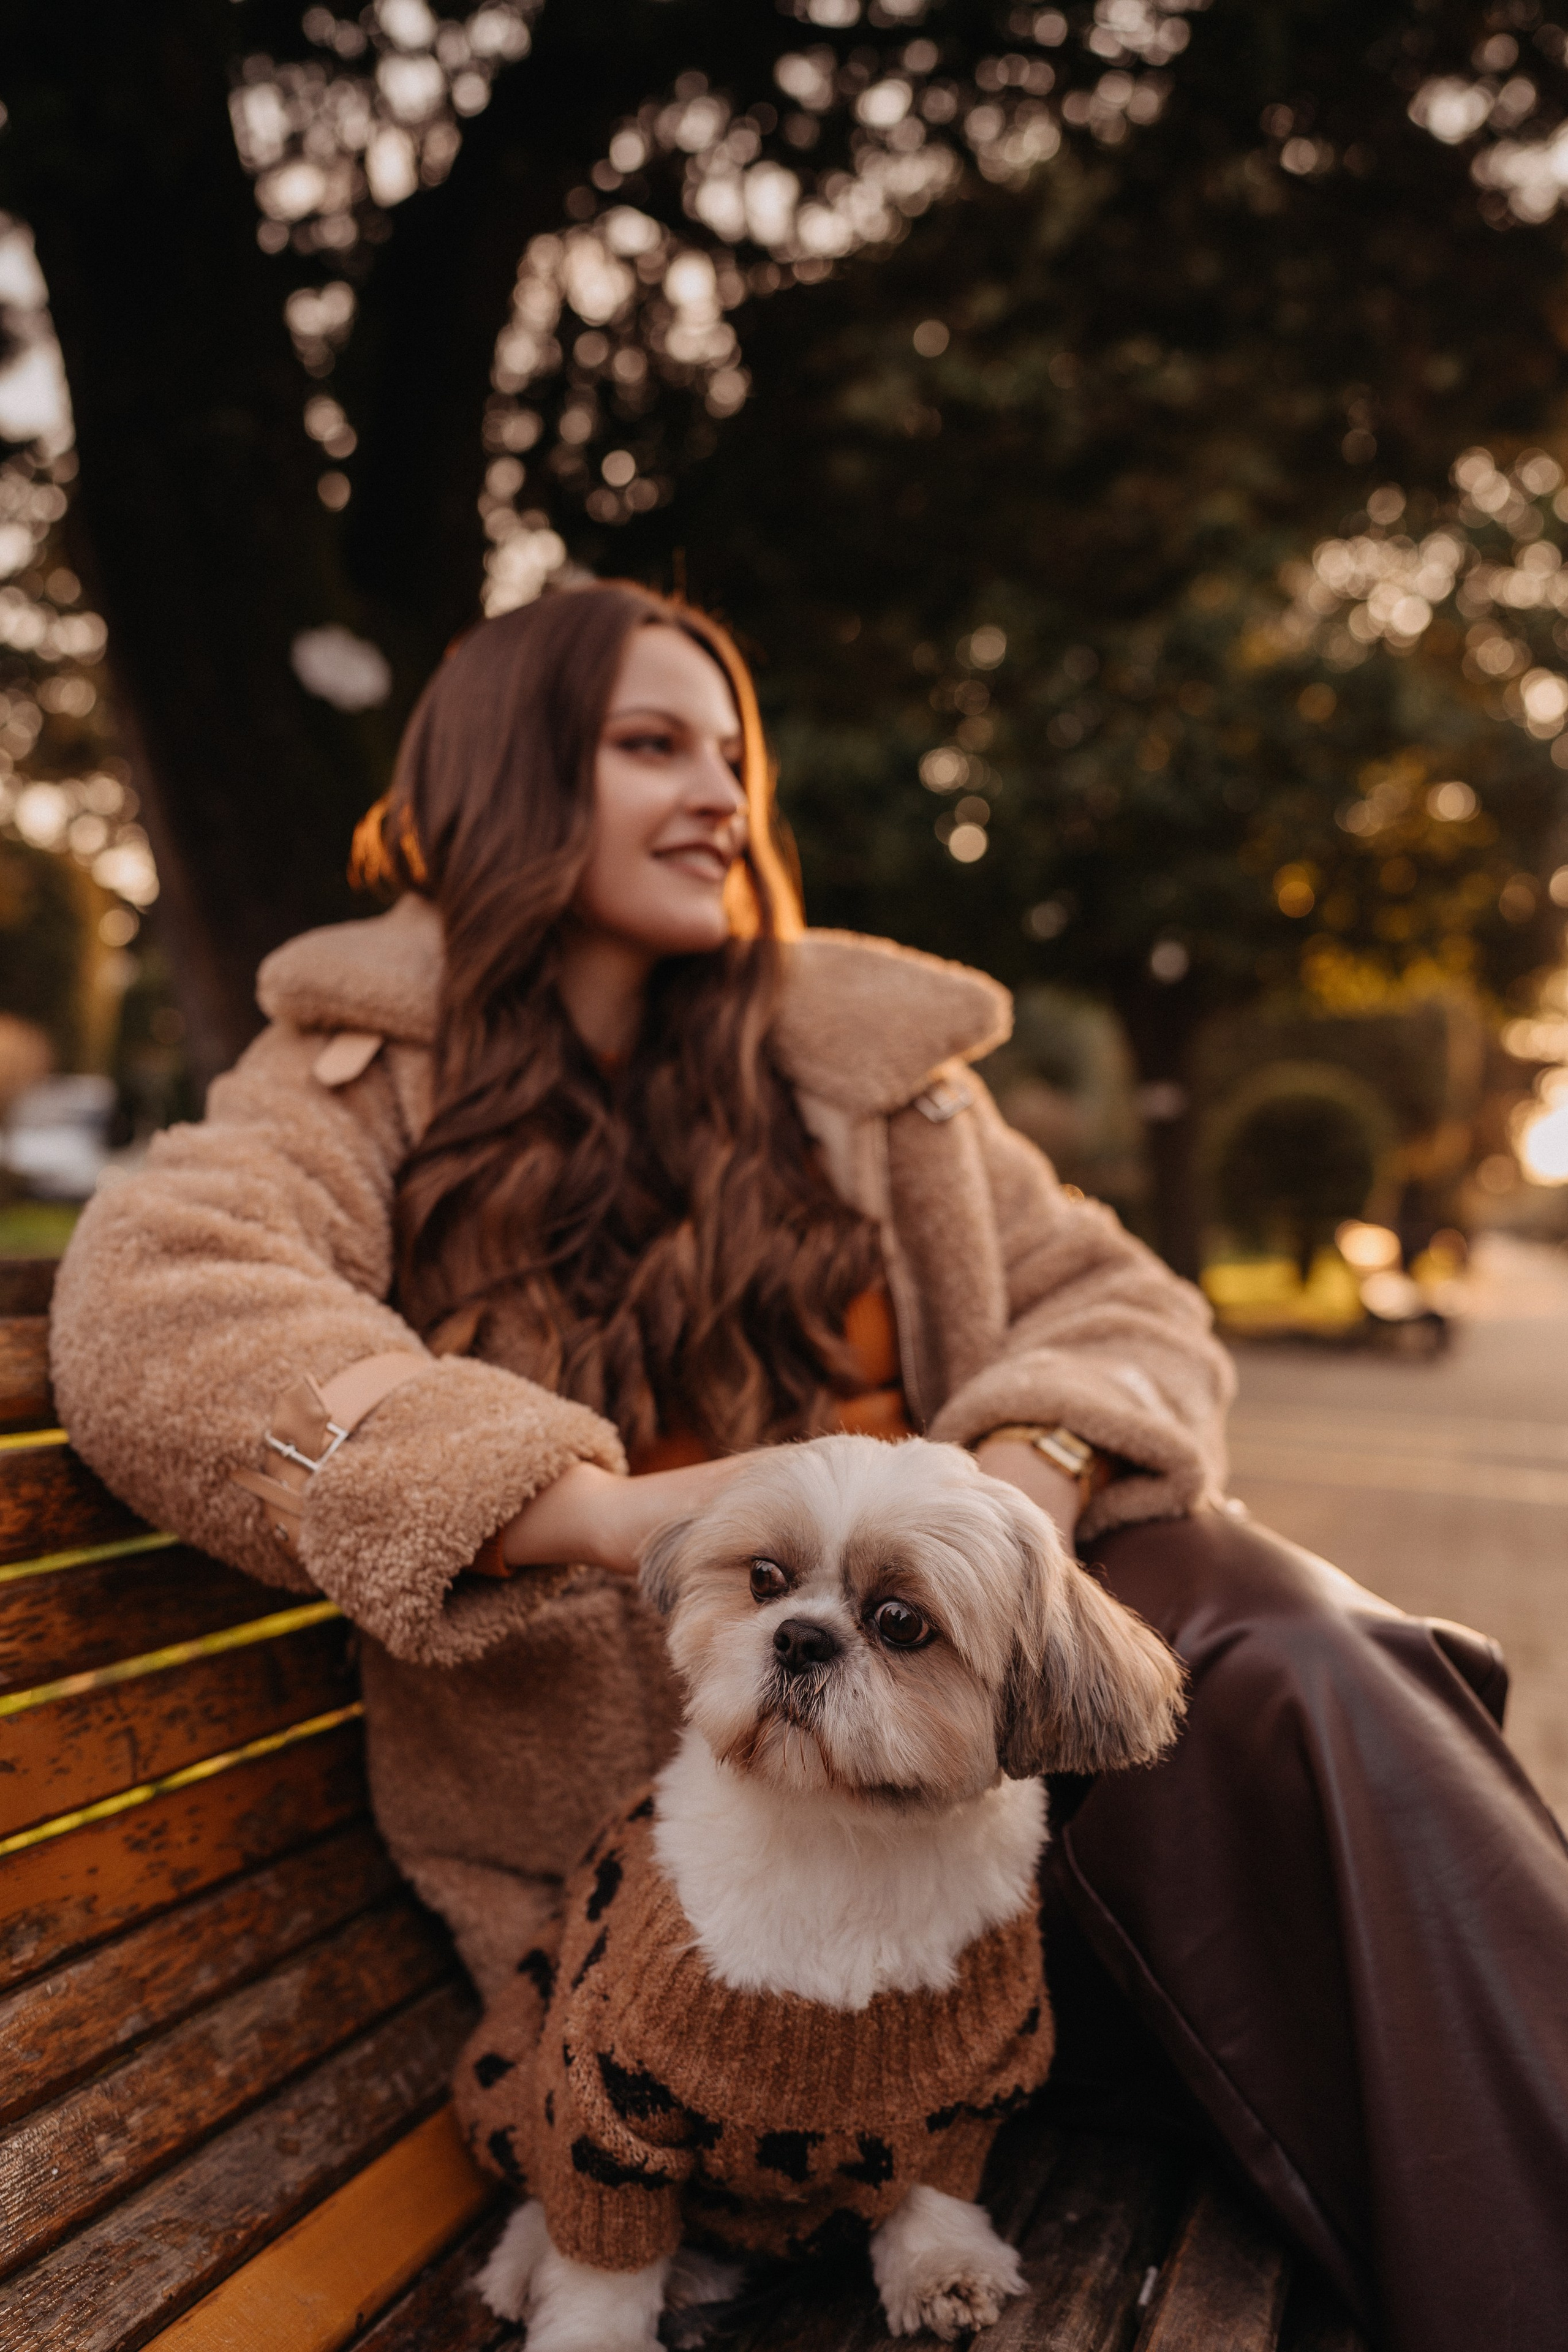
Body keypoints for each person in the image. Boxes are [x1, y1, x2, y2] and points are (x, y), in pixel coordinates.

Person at [50, 584, 1568, 2352]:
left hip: (1009, 1844)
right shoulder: (352, 1078)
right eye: (648, 748)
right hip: (689, 1925)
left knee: (1299, 1654)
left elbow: (1122, 1301)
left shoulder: (863, 1077)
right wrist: (597, 1512)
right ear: (501, 782)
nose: (719, 797)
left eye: (730, 756)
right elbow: (156, 1310)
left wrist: (1021, 1486)